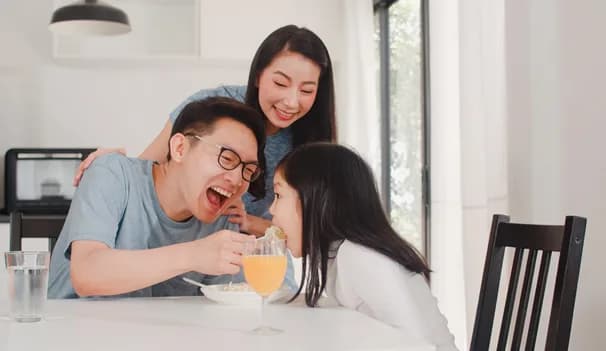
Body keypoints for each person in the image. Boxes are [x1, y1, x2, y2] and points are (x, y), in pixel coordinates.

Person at [73, 24, 336, 238]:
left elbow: (312, 233)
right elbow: (148, 172)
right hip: (197, 248)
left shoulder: (311, 141)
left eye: (306, 91)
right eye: (280, 83)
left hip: (262, 258)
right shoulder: (215, 106)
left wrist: (249, 222)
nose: (291, 102)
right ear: (257, 75)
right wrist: (116, 167)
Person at [48, 97, 264, 299]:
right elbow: (87, 273)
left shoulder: (224, 217)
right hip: (71, 331)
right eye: (227, 158)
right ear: (180, 148)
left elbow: (215, 306)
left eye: (248, 170)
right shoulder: (112, 173)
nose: (237, 179)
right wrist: (194, 254)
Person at [269, 143, 458, 351]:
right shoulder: (339, 254)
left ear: (319, 198)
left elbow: (416, 346)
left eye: (278, 195)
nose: (271, 209)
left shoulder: (359, 255)